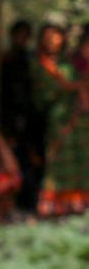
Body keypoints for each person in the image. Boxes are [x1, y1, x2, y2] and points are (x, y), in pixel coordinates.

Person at [35, 24, 89, 217]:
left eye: (57, 37)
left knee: (81, 159)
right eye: (48, 37)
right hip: (58, 117)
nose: (53, 41)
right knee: (58, 158)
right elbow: (44, 93)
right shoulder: (39, 64)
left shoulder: (68, 64)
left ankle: (78, 203)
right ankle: (54, 204)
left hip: (80, 117)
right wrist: (73, 87)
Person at [0, 21, 43, 211]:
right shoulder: (5, 59)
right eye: (19, 34)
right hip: (10, 118)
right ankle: (16, 202)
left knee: (32, 160)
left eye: (25, 35)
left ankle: (31, 201)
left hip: (31, 118)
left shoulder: (33, 59)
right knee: (14, 160)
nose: (21, 39)